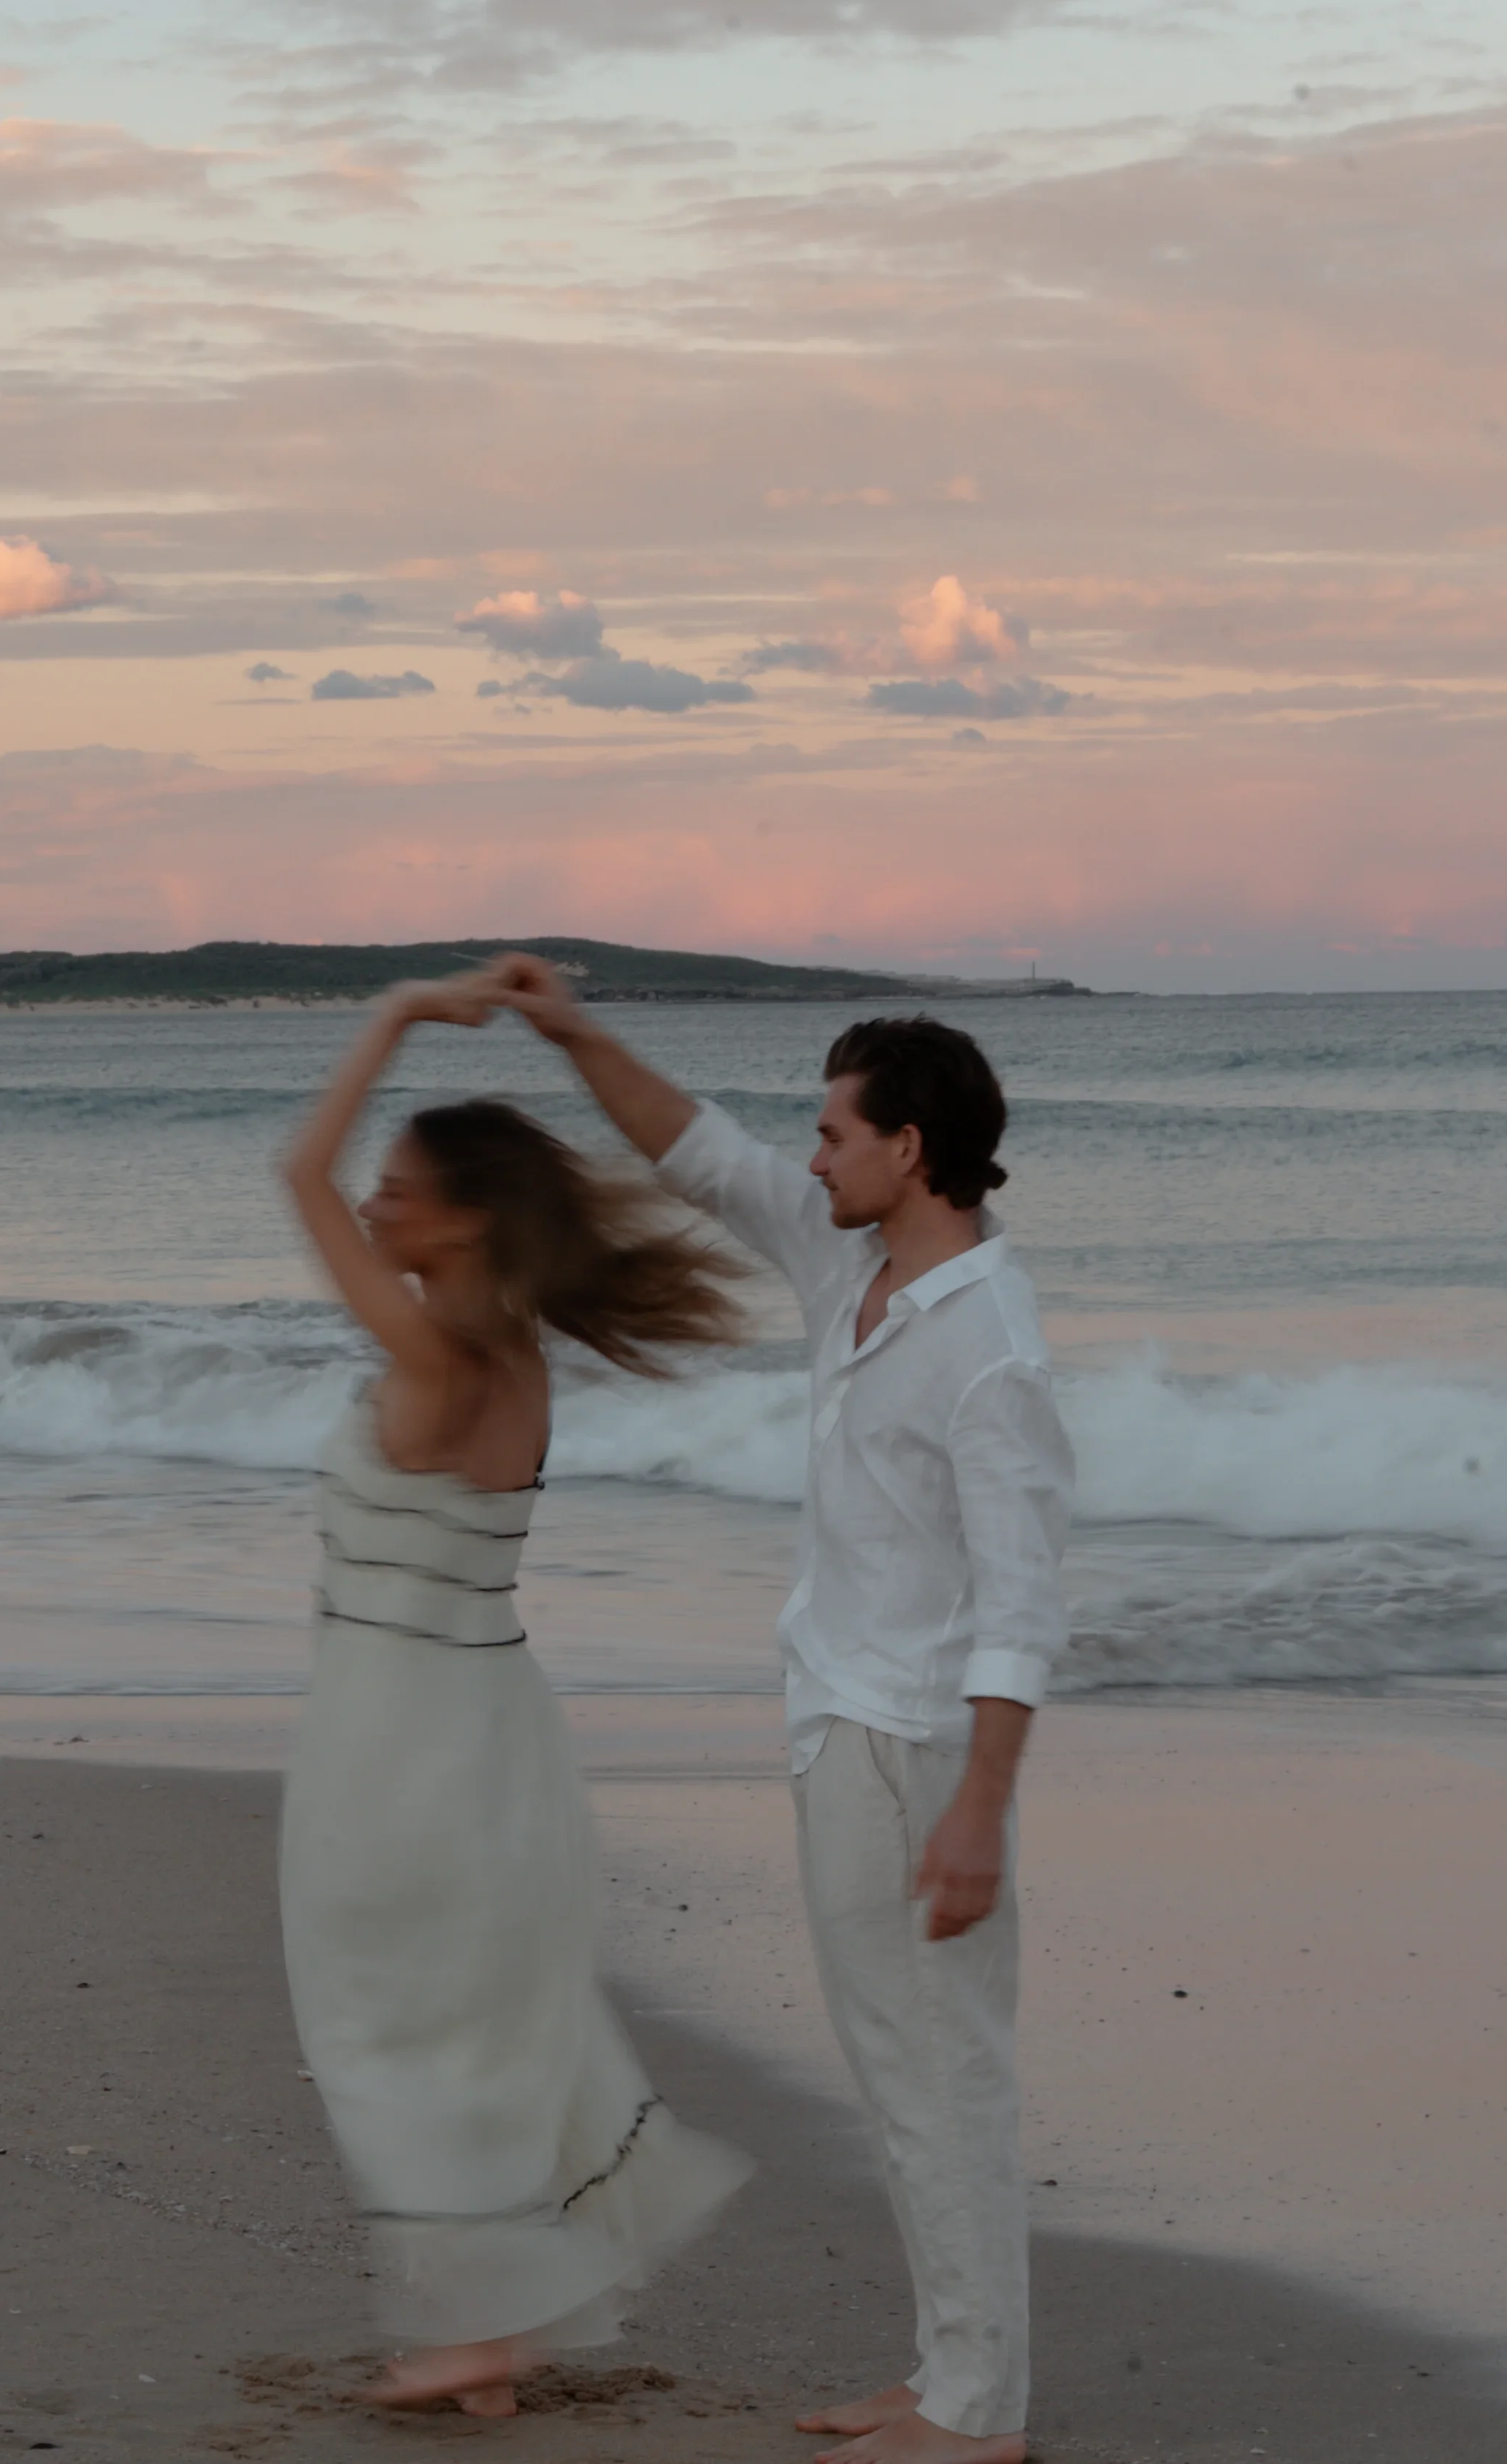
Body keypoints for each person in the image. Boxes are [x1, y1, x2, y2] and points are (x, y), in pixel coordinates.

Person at [491, 957, 1073, 2464]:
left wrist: (977, 1813)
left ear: (909, 1152)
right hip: (841, 1723)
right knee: (897, 2079)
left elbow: (1021, 1605)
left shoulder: (985, 1343)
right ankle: (949, 2378)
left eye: (832, 1134)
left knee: (945, 2081)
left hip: (916, 1751)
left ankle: (978, 2414)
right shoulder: (850, 1273)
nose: (807, 1156)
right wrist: (568, 1028)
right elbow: (689, 1150)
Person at [276, 974, 753, 2416]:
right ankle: (498, 2325)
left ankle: (478, 2332)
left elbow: (292, 1173)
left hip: (398, 1739)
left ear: (463, 1215)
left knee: (381, 2021)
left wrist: (395, 1015)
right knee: (477, 2023)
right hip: (491, 1729)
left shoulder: (434, 1353)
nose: (369, 1203)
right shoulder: (519, 1361)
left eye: (398, 1188)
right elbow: (322, 1187)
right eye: (379, 1184)